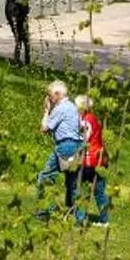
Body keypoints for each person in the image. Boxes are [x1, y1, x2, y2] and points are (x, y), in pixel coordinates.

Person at [33, 79, 86, 219]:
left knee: (45, 177)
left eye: (50, 95)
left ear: (57, 94)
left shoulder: (60, 108)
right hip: (78, 146)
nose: (49, 98)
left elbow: (44, 128)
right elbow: (81, 127)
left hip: (65, 146)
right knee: (72, 183)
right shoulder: (73, 107)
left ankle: (44, 211)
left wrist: (46, 111)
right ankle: (78, 217)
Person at [74, 92, 111, 225]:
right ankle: (104, 220)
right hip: (99, 158)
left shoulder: (86, 121)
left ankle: (79, 218)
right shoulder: (93, 118)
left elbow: (84, 139)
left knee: (77, 188)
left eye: (76, 105)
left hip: (89, 160)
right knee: (99, 191)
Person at [5, 0, 33, 66]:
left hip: (22, 21)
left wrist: (25, 10)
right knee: (20, 41)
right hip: (18, 22)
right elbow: (10, 11)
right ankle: (18, 60)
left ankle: (26, 61)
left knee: (24, 42)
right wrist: (15, 19)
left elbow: (26, 8)